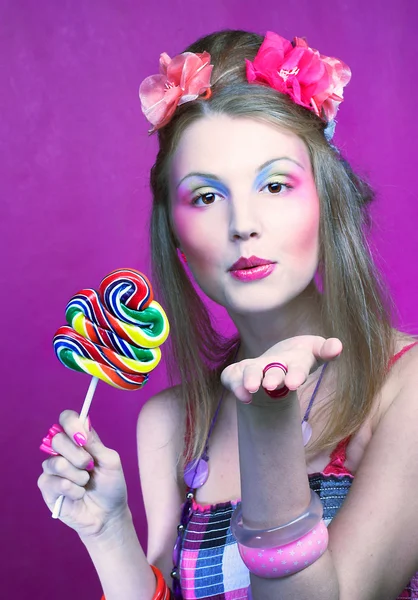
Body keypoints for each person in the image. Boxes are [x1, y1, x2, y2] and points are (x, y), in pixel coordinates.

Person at [38, 29, 418, 600]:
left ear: (326, 198)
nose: (243, 223)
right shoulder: (172, 424)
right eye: (207, 197)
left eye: (275, 184)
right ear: (174, 232)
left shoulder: (406, 388)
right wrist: (108, 532)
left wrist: (271, 422)